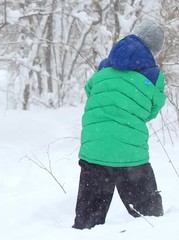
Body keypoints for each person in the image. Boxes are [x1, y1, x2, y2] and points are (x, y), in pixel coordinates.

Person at [73, 19, 166, 229]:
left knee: (87, 223)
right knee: (151, 221)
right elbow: (151, 111)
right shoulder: (153, 76)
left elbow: (90, 91)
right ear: (154, 49)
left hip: (94, 151)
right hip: (130, 155)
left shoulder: (104, 66)